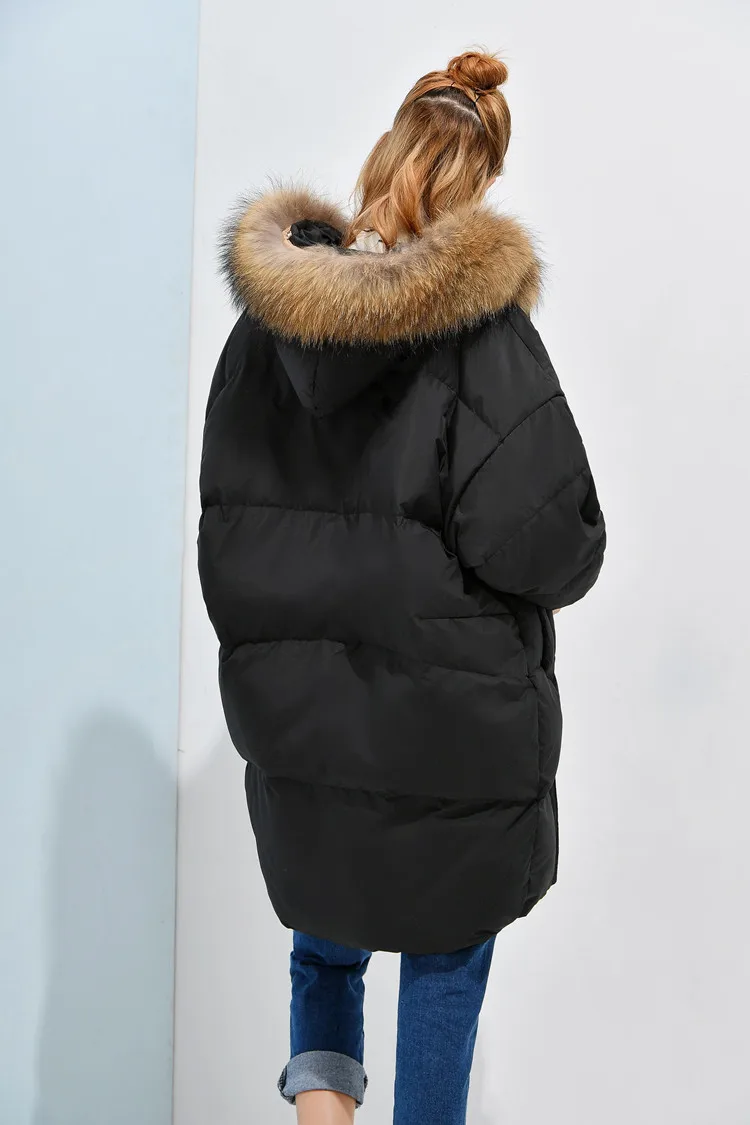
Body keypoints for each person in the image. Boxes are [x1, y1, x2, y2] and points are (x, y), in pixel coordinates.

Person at [198, 47, 606, 1125]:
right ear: (479, 179)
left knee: (323, 948)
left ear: (387, 149)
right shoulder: (482, 339)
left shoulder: (262, 332)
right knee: (443, 961)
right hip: (446, 737)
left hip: (304, 732)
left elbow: (227, 522)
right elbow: (553, 547)